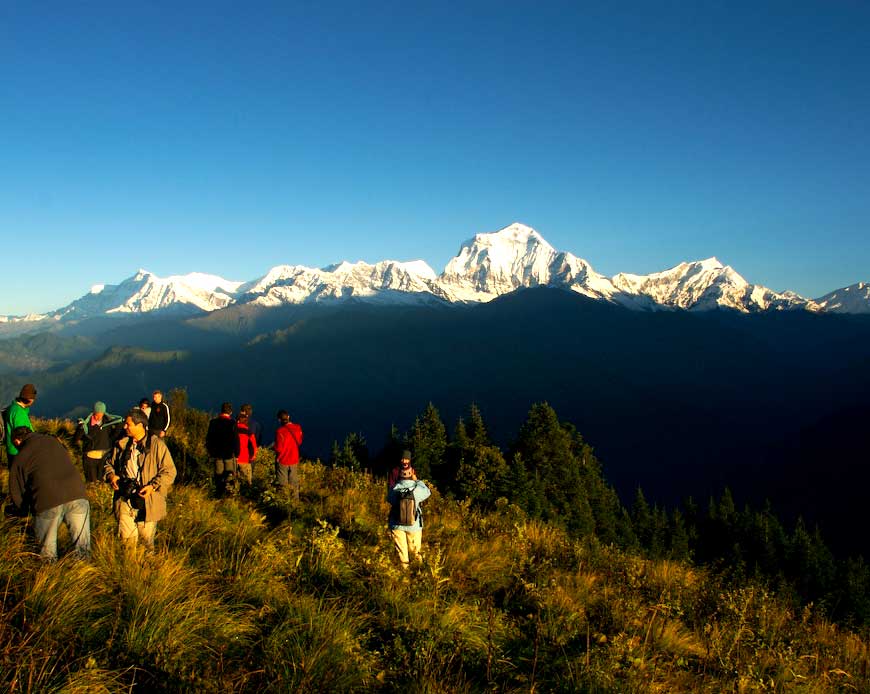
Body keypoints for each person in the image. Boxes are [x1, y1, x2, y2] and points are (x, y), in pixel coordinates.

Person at [8, 427, 90, 560]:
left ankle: (51, 577)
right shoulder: (53, 441)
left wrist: (24, 510)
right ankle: (85, 577)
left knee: (47, 552)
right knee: (82, 547)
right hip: (77, 494)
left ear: (17, 441)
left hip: (47, 501)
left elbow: (16, 490)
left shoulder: (21, 455)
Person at [105, 408, 176, 551]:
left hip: (148, 502)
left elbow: (170, 471)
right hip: (124, 498)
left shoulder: (157, 445)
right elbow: (108, 464)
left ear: (140, 425)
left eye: (128, 424)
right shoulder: (121, 445)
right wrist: (111, 476)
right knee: (127, 542)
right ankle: (130, 569)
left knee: (146, 543)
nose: (125, 426)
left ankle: (147, 571)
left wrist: (153, 486)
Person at [388, 466, 431, 571]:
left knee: (402, 552)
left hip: (397, 524)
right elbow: (428, 492)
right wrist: (417, 481)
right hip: (414, 525)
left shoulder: (395, 489)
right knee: (415, 551)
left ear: (400, 475)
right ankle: (420, 573)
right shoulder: (417, 490)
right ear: (411, 474)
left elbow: (389, 499)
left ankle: (405, 576)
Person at [75, 401, 123, 483]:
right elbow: (77, 438)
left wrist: (119, 424)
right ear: (94, 412)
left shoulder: (107, 422)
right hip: (90, 458)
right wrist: (80, 428)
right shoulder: (87, 423)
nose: (99, 417)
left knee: (103, 482)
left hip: (104, 458)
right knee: (92, 483)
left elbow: (114, 435)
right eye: (97, 414)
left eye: (101, 414)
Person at [206, 402, 239, 496]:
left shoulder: (213, 422)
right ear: (230, 412)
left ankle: (219, 495)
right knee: (230, 475)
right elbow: (236, 440)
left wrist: (211, 452)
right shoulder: (232, 423)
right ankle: (229, 495)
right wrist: (237, 454)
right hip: (229, 454)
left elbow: (209, 439)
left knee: (218, 475)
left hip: (217, 455)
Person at [273, 410, 303, 500]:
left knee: (282, 484)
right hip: (294, 459)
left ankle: (284, 503)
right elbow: (300, 441)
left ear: (279, 420)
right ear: (288, 417)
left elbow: (279, 448)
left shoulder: (280, 431)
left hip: (283, 460)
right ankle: (295, 503)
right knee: (294, 483)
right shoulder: (298, 428)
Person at [5, 383, 37, 463]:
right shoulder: (19, 413)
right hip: (19, 452)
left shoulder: (13, 407)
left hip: (13, 451)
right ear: (30, 399)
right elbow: (22, 436)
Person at [236, 410, 258, 486]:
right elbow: (254, 447)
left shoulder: (232, 430)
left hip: (233, 460)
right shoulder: (249, 432)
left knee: (234, 482)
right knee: (247, 482)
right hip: (245, 459)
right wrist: (251, 458)